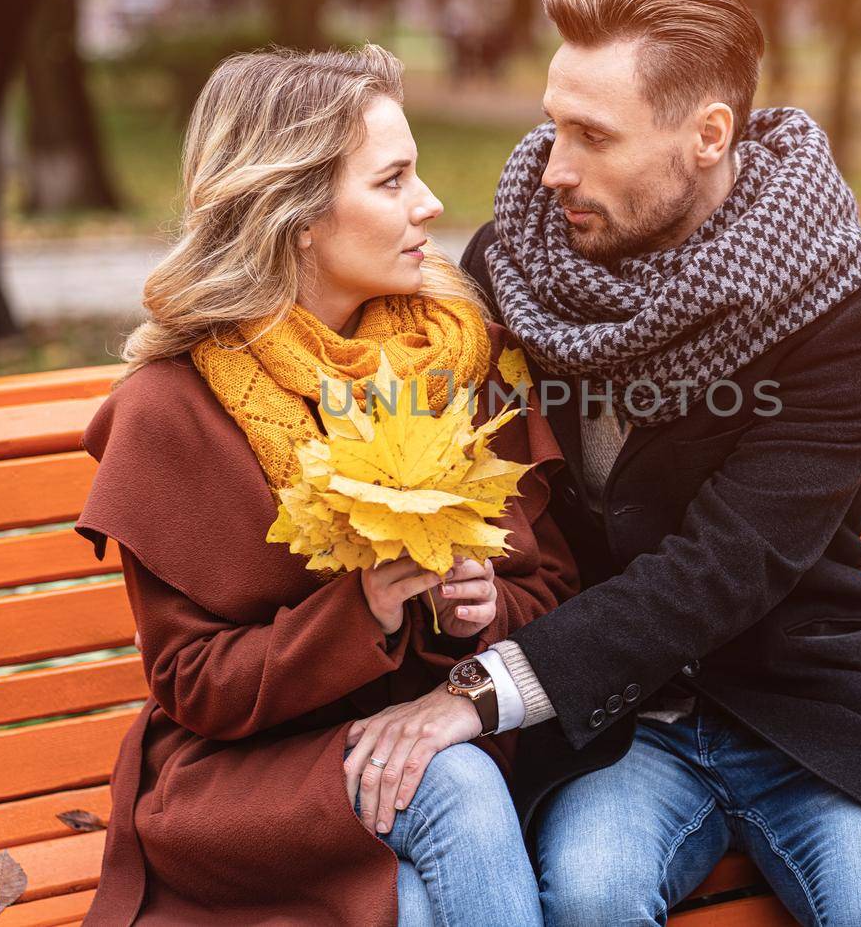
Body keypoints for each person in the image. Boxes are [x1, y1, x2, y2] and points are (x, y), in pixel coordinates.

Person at [346, 0, 861, 925]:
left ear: (708, 135)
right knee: (590, 896)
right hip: (613, 724)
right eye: (555, 125)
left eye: (594, 136)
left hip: (804, 703)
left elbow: (729, 564)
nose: (554, 167)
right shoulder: (510, 270)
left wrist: (485, 690)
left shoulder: (841, 306)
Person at [73, 45, 577, 926]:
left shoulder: (458, 356)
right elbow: (191, 681)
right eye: (391, 181)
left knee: (418, 902)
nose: (429, 204)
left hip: (440, 742)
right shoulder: (173, 408)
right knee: (447, 785)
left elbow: (552, 587)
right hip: (247, 781)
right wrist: (365, 611)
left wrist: (480, 608)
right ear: (296, 215)